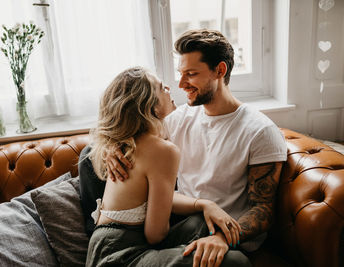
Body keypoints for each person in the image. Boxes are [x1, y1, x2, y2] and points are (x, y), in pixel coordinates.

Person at [104, 29, 288, 267]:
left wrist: (223, 238)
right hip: (184, 221)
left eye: (191, 74)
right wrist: (113, 147)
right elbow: (134, 137)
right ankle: (103, 243)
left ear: (220, 71)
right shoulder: (178, 119)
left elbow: (263, 210)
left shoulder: (260, 131)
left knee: (238, 261)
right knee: (90, 157)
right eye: (181, 74)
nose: (181, 84)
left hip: (221, 230)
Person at [83, 66, 181, 266]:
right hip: (116, 252)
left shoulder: (141, 140)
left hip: (116, 242)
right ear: (150, 107)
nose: (170, 87)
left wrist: (204, 204)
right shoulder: (160, 149)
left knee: (200, 224)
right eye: (162, 87)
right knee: (235, 261)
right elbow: (155, 235)